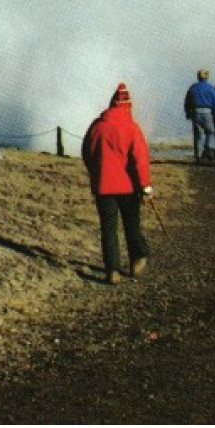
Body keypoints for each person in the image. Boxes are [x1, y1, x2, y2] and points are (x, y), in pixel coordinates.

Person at [81, 82, 153, 284]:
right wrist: (145, 186)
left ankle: (112, 269)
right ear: (128, 106)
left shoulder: (97, 126)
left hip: (103, 186)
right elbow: (140, 159)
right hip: (128, 187)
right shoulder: (132, 128)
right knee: (132, 224)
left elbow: (87, 152)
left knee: (108, 228)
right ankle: (137, 258)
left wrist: (96, 173)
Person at [183, 69, 215, 163]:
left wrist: (188, 112)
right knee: (210, 132)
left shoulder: (193, 88)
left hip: (195, 113)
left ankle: (198, 156)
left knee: (198, 134)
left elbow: (187, 102)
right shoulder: (211, 88)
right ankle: (210, 151)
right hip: (207, 113)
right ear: (207, 77)